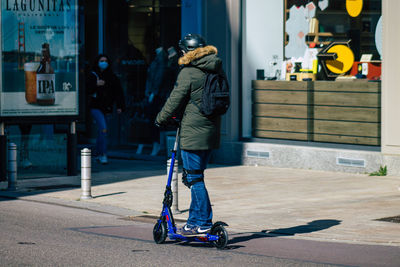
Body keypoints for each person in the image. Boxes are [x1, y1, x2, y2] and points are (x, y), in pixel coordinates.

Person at [155, 34, 224, 235]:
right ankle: (193, 221)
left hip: (193, 132)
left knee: (194, 179)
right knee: (196, 176)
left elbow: (175, 99)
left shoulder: (189, 72)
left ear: (187, 51)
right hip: (210, 131)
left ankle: (203, 222)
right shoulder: (216, 68)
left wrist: (160, 119)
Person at [86, 54, 125, 164]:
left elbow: (118, 92)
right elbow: (86, 89)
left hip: (107, 107)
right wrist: (96, 84)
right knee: (103, 129)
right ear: (97, 62)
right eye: (101, 60)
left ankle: (98, 153)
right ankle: (103, 154)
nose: (104, 62)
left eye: (105, 60)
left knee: (101, 131)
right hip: (95, 107)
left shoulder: (112, 76)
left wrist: (120, 106)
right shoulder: (93, 75)